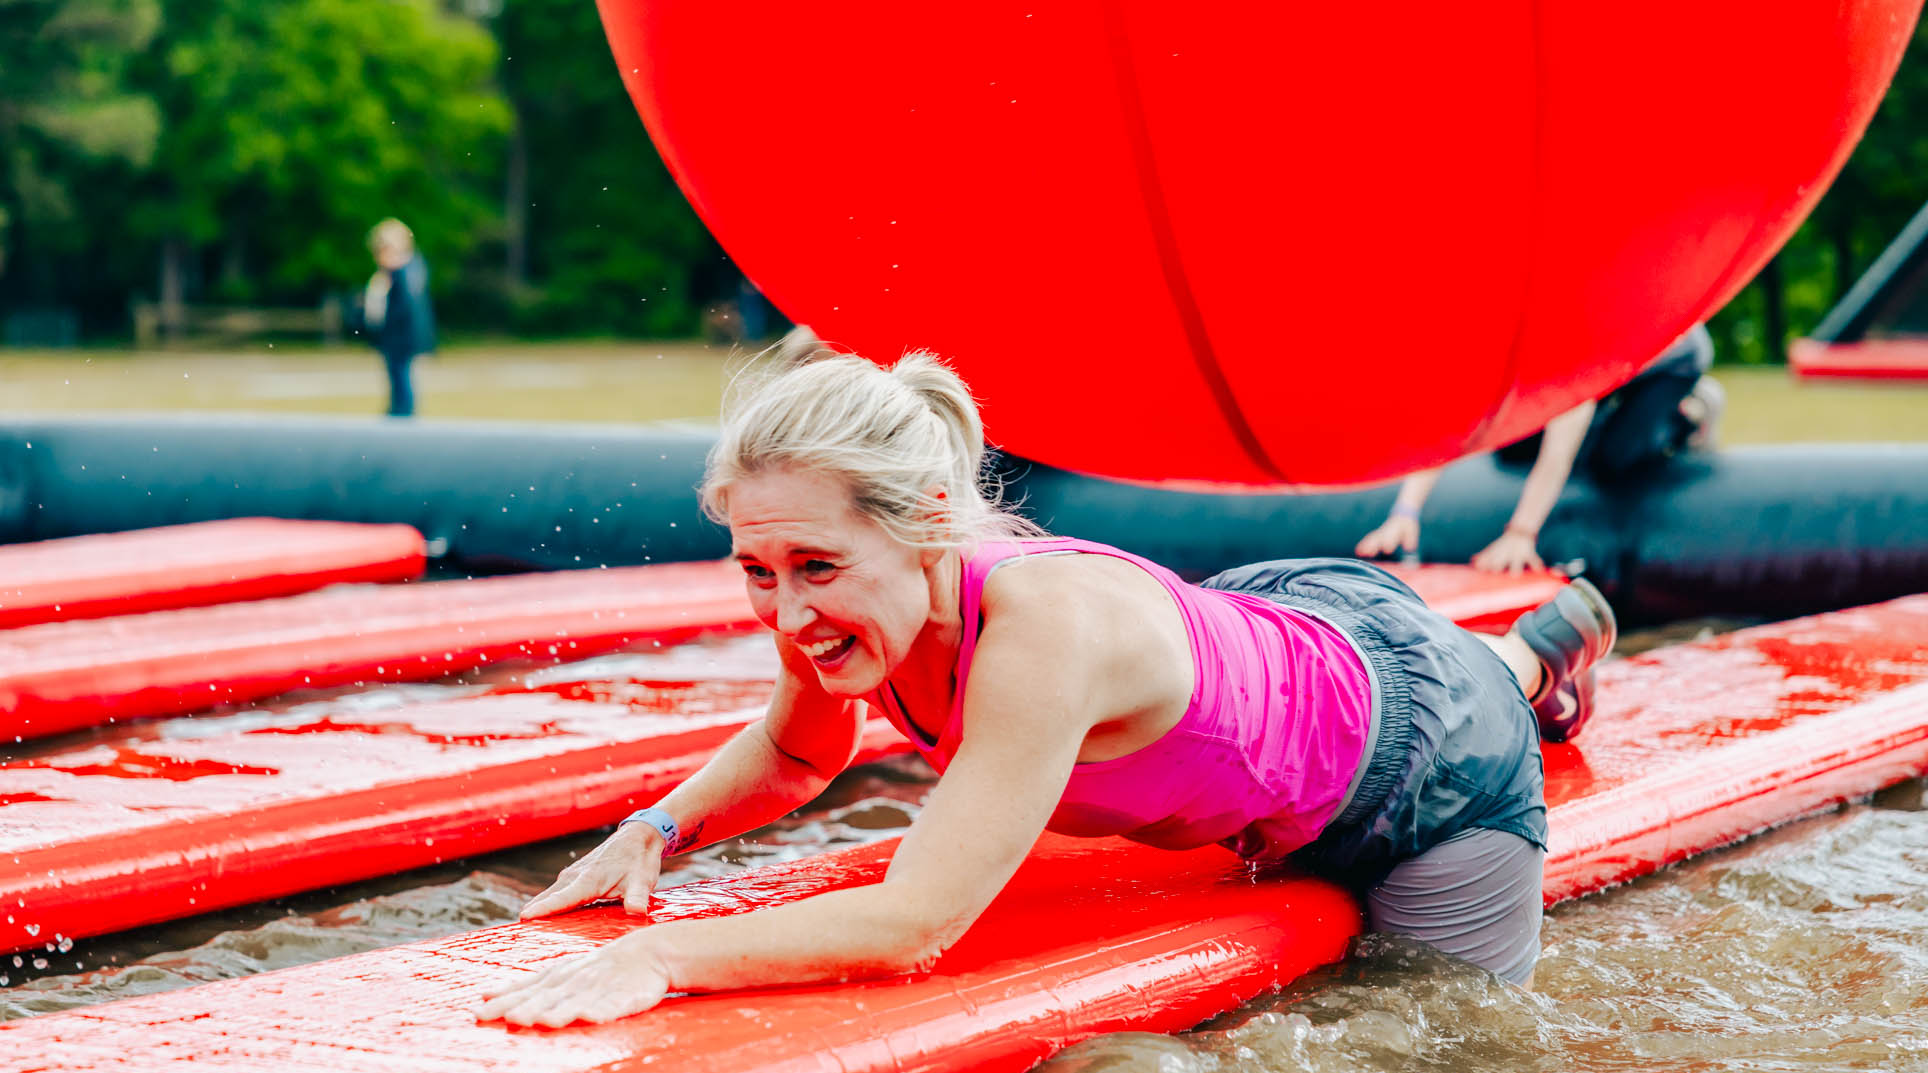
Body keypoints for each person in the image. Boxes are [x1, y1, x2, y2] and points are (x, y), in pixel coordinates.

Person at [478, 351, 1616, 1030]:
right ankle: (1537, 650)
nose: (783, 613)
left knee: (1434, 1053)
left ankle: (1528, 660)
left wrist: (660, 955)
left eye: (814, 567)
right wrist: (656, 831)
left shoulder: (1039, 634)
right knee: (1444, 671)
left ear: (930, 523)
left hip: (1423, 776)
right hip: (1284, 629)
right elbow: (797, 753)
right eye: (756, 571)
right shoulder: (834, 607)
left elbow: (912, 925)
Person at [1358, 324, 1725, 571]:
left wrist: (1521, 533)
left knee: (1614, 460)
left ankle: (1690, 412)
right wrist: (1404, 512)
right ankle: (1609, 406)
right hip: (1613, 356)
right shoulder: (1493, 343)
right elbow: (1449, 429)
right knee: (1513, 449)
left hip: (1673, 356)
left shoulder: (1572, 352)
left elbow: (1557, 457)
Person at [361, 219, 435, 418]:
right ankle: (398, 409)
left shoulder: (404, 270)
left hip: (402, 336)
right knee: (396, 373)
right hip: (396, 336)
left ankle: (403, 412)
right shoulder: (407, 269)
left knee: (400, 373)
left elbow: (404, 307)